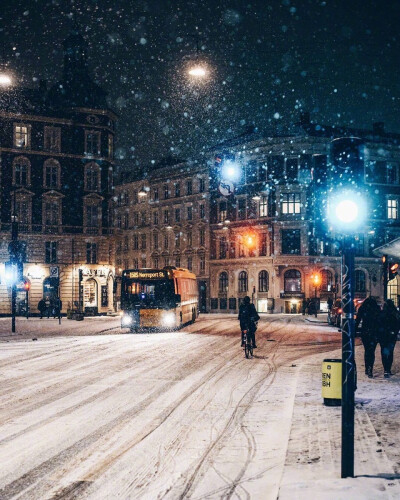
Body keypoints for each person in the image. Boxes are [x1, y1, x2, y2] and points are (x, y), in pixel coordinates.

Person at [355, 296, 381, 378]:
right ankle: (370, 368)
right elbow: (379, 320)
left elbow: (358, 320)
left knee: (367, 350)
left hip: (365, 331)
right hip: (374, 332)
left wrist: (354, 330)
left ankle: (367, 368)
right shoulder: (376, 308)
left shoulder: (363, 308)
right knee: (371, 351)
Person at [379, 299, 399, 378]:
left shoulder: (382, 313)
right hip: (391, 335)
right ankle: (388, 369)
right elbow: (397, 324)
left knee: (384, 352)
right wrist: (394, 332)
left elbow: (379, 323)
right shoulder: (395, 313)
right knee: (390, 352)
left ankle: (386, 369)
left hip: (383, 335)